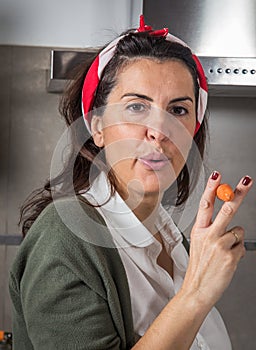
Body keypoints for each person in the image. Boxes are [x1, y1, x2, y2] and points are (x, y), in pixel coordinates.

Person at [9, 15, 253, 350]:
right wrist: (196, 292)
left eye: (179, 110)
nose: (160, 130)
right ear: (97, 127)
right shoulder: (65, 237)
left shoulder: (177, 243)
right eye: (136, 106)